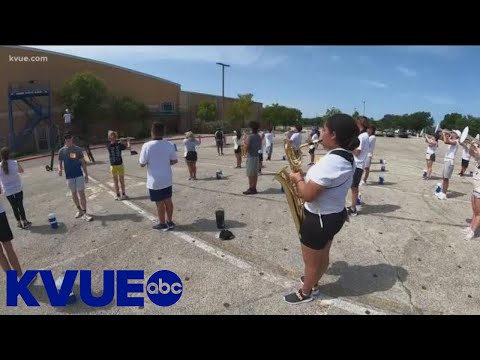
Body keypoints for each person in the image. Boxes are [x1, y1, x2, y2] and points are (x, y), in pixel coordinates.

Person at [285, 113, 359, 304]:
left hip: (319, 219)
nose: (321, 133)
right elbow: (325, 182)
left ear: (333, 134)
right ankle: (314, 280)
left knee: (310, 261)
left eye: (324, 130)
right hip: (332, 216)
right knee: (322, 254)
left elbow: (308, 195)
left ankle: (307, 291)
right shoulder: (344, 156)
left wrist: (298, 179)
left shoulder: (332, 161)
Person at [139, 122, 178, 231]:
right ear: (163, 133)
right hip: (167, 178)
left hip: (154, 180)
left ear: (152, 133)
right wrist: (165, 163)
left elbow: (142, 163)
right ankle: (170, 221)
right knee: (168, 200)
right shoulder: (169, 144)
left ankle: (162, 223)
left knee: (159, 203)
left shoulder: (146, 145)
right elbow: (174, 160)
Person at [58, 132, 93, 221]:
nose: (68, 140)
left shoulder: (77, 149)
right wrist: (59, 169)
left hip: (79, 175)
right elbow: (60, 162)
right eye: (67, 139)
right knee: (73, 193)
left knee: (81, 193)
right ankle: (79, 210)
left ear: (72, 139)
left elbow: (83, 162)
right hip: (69, 176)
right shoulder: (62, 151)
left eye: (70, 139)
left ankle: (85, 212)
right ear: (65, 140)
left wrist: (86, 174)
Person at [0, 147, 31, 228]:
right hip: (17, 188)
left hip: (7, 190)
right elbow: (21, 170)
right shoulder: (14, 162)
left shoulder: (0, 165)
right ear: (9, 154)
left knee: (14, 206)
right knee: (20, 205)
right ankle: (25, 221)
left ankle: (19, 222)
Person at [347, 116, 370, 216]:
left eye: (356, 123)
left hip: (358, 165)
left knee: (354, 187)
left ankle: (353, 209)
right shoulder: (364, 135)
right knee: (353, 186)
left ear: (359, 123)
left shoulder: (362, 136)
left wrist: (348, 147)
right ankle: (353, 206)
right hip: (358, 164)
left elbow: (357, 152)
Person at [435, 130, 461, 200]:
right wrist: (442, 134)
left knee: (446, 179)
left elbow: (446, 142)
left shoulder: (456, 142)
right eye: (452, 132)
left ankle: (444, 194)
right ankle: (442, 191)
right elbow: (443, 139)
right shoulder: (451, 139)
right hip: (446, 160)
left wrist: (443, 133)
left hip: (450, 161)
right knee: (443, 177)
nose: (451, 133)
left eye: (453, 133)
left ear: (457, 135)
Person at [107, 131, 131, 200]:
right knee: (121, 181)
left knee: (116, 181)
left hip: (114, 165)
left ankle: (118, 195)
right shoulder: (119, 145)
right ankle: (122, 194)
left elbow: (114, 144)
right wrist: (128, 141)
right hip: (118, 165)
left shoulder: (108, 146)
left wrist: (121, 142)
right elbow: (128, 148)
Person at [463, 143, 480, 240]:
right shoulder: (478, 158)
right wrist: (469, 145)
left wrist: (476, 146)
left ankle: (472, 232)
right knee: (474, 210)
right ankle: (470, 228)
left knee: (479, 212)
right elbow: (470, 153)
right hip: (476, 186)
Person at [243, 121, 262, 195]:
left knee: (250, 174)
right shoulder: (258, 136)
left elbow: (247, 148)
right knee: (255, 173)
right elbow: (259, 147)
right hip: (257, 156)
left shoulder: (250, 137)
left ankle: (251, 188)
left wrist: (245, 142)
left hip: (251, 156)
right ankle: (254, 188)